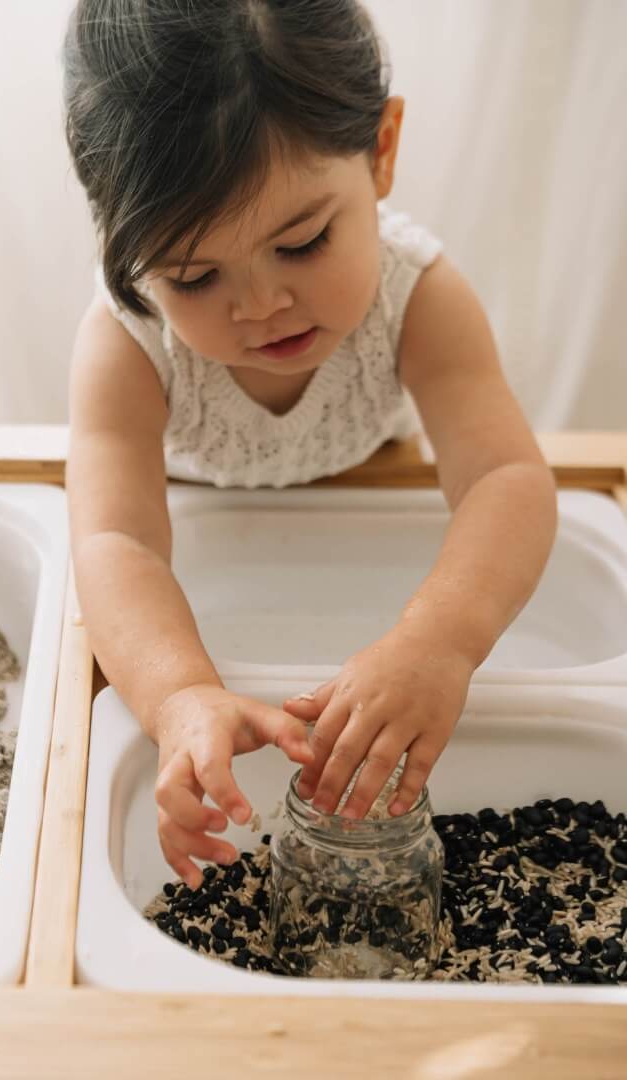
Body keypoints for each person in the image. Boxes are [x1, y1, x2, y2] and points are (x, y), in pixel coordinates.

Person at [62, 0, 557, 889]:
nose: (259, 306)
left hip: (367, 504)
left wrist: (438, 641)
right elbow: (117, 541)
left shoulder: (421, 299)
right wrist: (180, 697)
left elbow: (508, 479)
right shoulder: (125, 345)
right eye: (194, 276)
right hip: (204, 524)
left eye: (303, 243)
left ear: (382, 151)